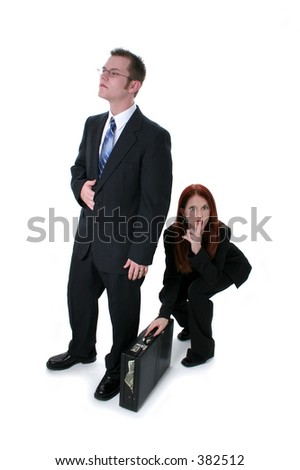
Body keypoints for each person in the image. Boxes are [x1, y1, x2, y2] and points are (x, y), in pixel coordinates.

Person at [46, 48, 173, 400]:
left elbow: (155, 202)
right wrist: (79, 188)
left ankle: (116, 368)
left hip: (124, 248)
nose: (104, 75)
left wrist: (142, 252)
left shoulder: (152, 137)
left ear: (134, 85)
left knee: (122, 314)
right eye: (104, 69)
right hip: (87, 238)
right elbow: (79, 170)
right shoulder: (92, 125)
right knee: (79, 299)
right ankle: (81, 349)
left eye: (114, 73)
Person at [146, 184, 251, 367]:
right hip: (202, 266)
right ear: (183, 212)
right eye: (192, 209)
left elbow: (212, 277)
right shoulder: (172, 235)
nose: (199, 215)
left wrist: (196, 247)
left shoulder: (221, 232)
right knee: (167, 295)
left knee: (196, 291)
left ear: (211, 209)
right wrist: (164, 315)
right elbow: (172, 277)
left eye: (204, 208)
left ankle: (203, 351)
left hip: (228, 267)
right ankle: (191, 327)